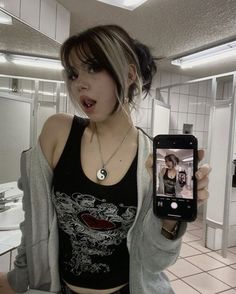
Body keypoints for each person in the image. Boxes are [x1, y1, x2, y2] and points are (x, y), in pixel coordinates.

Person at [0, 24, 210, 294]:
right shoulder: (58, 132)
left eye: (93, 68)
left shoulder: (151, 161)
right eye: (73, 74)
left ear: (129, 74)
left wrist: (171, 218)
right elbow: (34, 222)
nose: (80, 84)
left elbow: (154, 260)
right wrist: (19, 278)